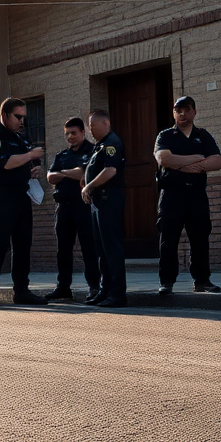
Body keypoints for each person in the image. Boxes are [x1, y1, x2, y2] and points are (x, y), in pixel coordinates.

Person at [0, 97, 49, 307]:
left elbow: (31, 164)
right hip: (2, 193)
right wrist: (29, 155)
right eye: (18, 117)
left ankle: (22, 290)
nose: (21, 121)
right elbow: (6, 163)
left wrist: (36, 170)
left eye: (24, 117)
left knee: (23, 242)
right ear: (5, 116)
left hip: (22, 193)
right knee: (0, 241)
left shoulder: (22, 139)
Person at [154, 96, 221, 294]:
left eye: (186, 110)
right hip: (172, 195)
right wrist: (196, 160)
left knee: (200, 238)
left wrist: (181, 163)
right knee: (169, 239)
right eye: (178, 110)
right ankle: (166, 282)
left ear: (194, 112)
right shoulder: (165, 136)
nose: (182, 114)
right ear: (174, 113)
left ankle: (202, 281)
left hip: (196, 195)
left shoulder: (203, 135)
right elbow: (164, 159)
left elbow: (217, 162)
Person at [44, 117, 99, 301]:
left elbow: (83, 173)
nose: (70, 137)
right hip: (63, 207)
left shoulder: (92, 151)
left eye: (73, 133)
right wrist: (68, 173)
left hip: (83, 206)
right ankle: (63, 288)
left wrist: (63, 173)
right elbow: (50, 178)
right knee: (63, 250)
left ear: (83, 132)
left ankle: (93, 286)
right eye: (67, 134)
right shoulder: (62, 155)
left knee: (88, 248)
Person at [81, 109, 127, 307]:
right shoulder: (99, 145)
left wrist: (89, 186)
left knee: (112, 249)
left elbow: (111, 170)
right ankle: (105, 290)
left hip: (109, 201)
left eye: (93, 126)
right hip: (98, 202)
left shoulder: (112, 143)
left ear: (106, 123)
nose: (90, 131)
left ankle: (118, 294)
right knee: (101, 250)